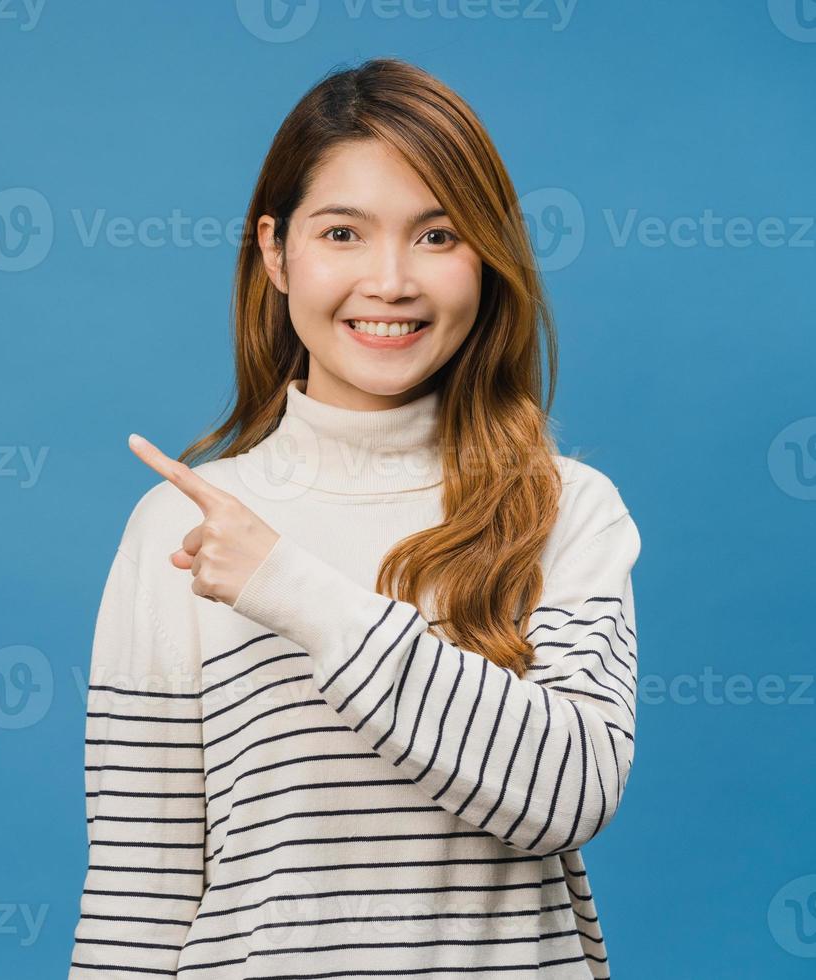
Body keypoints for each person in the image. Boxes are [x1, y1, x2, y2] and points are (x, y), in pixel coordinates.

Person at [68, 58, 640, 979]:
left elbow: (568, 793)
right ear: (277, 252)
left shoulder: (566, 509)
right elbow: (140, 895)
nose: (390, 281)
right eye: (343, 232)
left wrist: (298, 591)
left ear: (487, 260)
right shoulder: (177, 530)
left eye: (437, 236)